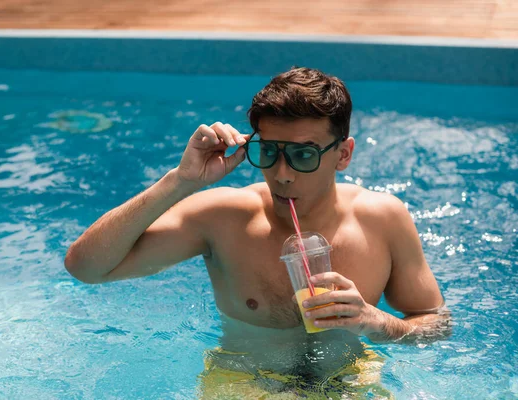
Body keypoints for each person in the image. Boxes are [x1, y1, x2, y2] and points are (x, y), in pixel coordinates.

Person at [64, 67, 450, 398]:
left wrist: (375, 321)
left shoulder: (383, 218)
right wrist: (180, 181)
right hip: (245, 382)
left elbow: (436, 324)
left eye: (304, 154)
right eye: (268, 151)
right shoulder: (223, 217)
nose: (281, 173)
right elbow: (86, 268)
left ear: (343, 154)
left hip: (348, 380)